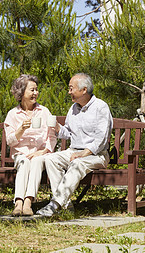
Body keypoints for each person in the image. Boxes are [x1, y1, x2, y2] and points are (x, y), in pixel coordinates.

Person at [36, 73, 113, 216]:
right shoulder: (73, 108)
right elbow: (69, 133)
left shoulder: (101, 107)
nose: (69, 92)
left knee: (78, 164)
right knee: (50, 159)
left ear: (84, 90)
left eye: (71, 88)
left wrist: (84, 153)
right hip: (74, 151)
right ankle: (66, 206)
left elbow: (101, 139)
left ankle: (55, 205)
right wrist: (58, 129)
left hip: (97, 155)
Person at [4, 74, 57, 216]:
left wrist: (44, 151)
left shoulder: (44, 112)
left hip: (40, 154)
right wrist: (21, 130)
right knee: (24, 162)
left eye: (36, 90)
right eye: (32, 90)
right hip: (21, 155)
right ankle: (18, 202)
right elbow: (9, 141)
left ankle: (28, 202)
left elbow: (52, 136)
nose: (36, 93)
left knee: (36, 161)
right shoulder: (13, 114)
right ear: (21, 93)